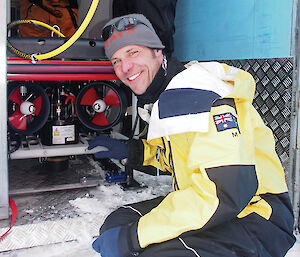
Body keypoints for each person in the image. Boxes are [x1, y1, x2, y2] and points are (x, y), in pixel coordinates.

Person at [88, 14, 296, 257]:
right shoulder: (166, 95)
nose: (125, 68)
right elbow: (180, 156)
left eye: (133, 53)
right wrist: (130, 151)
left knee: (147, 247)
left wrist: (135, 237)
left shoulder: (193, 91)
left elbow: (225, 192)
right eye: (116, 60)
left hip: (255, 216)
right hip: (214, 205)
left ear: (158, 52)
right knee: (118, 222)